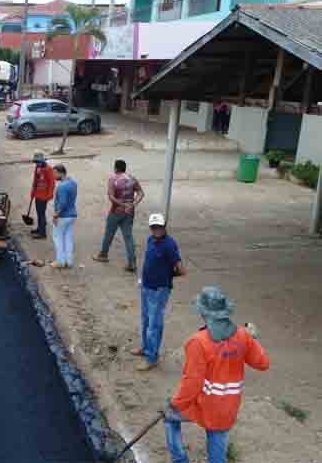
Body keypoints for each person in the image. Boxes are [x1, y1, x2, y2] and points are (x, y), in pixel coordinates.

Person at [164, 287, 270, 463]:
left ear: (202, 312)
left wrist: (175, 405)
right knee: (217, 452)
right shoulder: (242, 336)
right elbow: (263, 363)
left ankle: (180, 460)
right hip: (227, 409)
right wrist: (253, 339)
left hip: (203, 405)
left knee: (169, 416)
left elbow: (192, 383)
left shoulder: (198, 342)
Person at [132, 213, 184, 371]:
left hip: (159, 290)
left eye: (159, 227)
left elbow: (181, 269)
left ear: (164, 226)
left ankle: (152, 357)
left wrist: (167, 276)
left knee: (154, 324)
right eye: (154, 227)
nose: (157, 230)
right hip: (147, 286)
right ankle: (146, 347)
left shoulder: (169, 245)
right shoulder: (150, 240)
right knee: (146, 319)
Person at [93, 159, 144, 272]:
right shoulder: (132, 179)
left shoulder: (113, 179)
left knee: (109, 233)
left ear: (115, 168)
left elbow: (111, 196)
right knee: (128, 237)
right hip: (129, 212)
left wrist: (122, 204)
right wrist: (132, 204)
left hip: (116, 211)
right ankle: (132, 263)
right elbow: (141, 193)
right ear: (125, 168)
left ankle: (103, 254)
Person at [51, 164, 77, 269]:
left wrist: (56, 215)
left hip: (63, 216)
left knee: (58, 238)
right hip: (72, 215)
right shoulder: (73, 183)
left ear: (60, 172)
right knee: (68, 238)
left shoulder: (62, 187)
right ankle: (69, 261)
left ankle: (60, 261)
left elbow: (62, 203)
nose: (53, 176)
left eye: (54, 173)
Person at [29, 151, 55, 239]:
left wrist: (50, 194)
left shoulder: (49, 169)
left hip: (44, 196)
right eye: (36, 162)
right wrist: (33, 191)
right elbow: (35, 180)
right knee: (39, 212)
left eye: (39, 162)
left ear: (43, 161)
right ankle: (39, 228)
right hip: (38, 194)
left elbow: (52, 183)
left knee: (41, 213)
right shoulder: (37, 167)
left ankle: (42, 233)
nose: (37, 163)